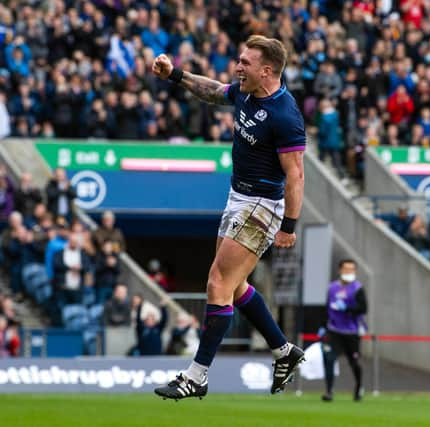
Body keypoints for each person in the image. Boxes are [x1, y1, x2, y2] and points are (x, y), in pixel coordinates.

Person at [152, 35, 306, 400]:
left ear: (266, 70)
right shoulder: (246, 93)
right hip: (239, 198)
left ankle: (197, 376)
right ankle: (284, 352)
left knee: (217, 284)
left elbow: (296, 174)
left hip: (262, 206)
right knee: (234, 287)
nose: (238, 67)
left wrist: (289, 227)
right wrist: (175, 74)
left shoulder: (285, 114)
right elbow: (211, 91)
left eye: (245, 63)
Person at [322, 259, 367, 402]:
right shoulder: (332, 288)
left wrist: (347, 308)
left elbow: (363, 308)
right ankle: (329, 391)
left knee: (354, 361)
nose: (349, 272)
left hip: (351, 331)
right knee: (329, 358)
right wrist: (323, 326)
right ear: (340, 270)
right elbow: (327, 308)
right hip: (334, 329)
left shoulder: (358, 288)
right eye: (346, 269)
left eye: (352, 269)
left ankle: (359, 387)